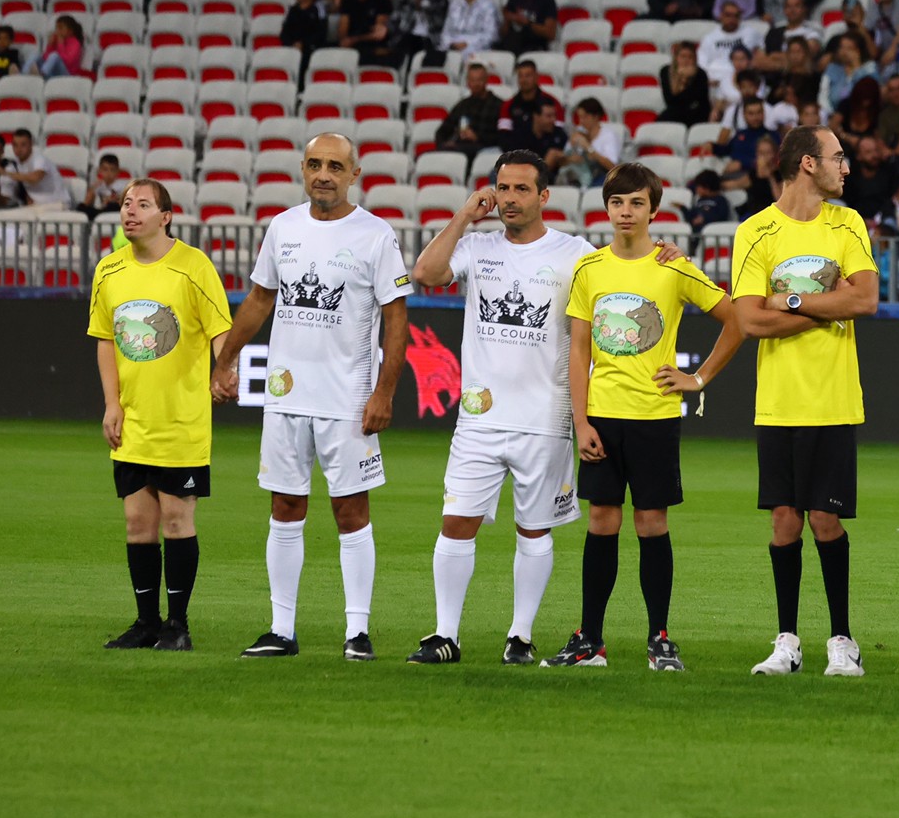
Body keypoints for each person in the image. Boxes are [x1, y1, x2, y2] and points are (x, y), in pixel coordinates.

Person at [211, 136, 409, 662]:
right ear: (303, 169)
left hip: (348, 398)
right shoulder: (283, 227)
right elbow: (259, 299)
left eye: (335, 167)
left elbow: (396, 319)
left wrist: (383, 391)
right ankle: (281, 628)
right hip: (284, 396)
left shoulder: (376, 235)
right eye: (316, 165)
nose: (324, 174)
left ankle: (358, 632)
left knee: (351, 511)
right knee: (284, 506)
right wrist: (226, 359)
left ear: (355, 174)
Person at [554, 163, 746, 671]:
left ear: (653, 210)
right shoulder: (589, 268)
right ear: (606, 207)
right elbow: (578, 351)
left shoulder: (674, 268)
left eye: (636, 203)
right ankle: (589, 640)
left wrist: (697, 379)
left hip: (655, 417)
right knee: (600, 521)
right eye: (617, 202)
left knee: (651, 523)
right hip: (601, 414)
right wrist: (582, 422)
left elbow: (736, 321)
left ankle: (659, 638)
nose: (625, 212)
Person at [400, 151, 588, 666]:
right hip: (480, 418)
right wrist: (463, 216)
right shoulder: (477, 245)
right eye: (502, 189)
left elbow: (616, 284)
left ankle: (520, 637)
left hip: (546, 418)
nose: (509, 199)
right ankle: (445, 635)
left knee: (534, 530)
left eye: (521, 189)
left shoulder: (574, 252)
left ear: (543, 196)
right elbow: (426, 272)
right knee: (455, 521)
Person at [731, 126, 879, 678]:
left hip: (835, 399)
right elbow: (748, 319)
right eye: (839, 158)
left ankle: (842, 639)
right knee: (785, 522)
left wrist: (789, 298)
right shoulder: (756, 230)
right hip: (778, 401)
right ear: (809, 164)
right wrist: (826, 302)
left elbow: (864, 299)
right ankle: (787, 641)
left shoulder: (848, 223)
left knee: (825, 520)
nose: (848, 167)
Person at [89, 178, 231, 652]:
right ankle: (146, 623)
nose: (130, 211)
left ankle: (178, 625)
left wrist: (223, 370)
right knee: (137, 523)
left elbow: (218, 330)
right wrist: (112, 404)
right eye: (127, 203)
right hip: (133, 421)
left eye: (143, 205)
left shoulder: (192, 266)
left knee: (176, 520)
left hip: (180, 421)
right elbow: (106, 341)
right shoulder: (108, 270)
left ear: (166, 216)